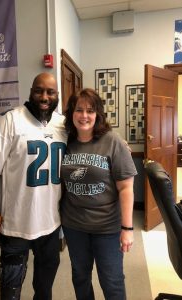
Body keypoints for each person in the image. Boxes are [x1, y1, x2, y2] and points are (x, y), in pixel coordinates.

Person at [0, 72, 68, 300]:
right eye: (39, 90)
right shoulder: (9, 121)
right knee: (11, 283)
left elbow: (92, 138)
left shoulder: (64, 124)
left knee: (45, 284)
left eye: (50, 91)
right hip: (16, 220)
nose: (44, 96)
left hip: (50, 221)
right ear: (31, 91)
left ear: (57, 95)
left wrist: (118, 144)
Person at [60, 88, 137, 300]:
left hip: (107, 227)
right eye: (79, 110)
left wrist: (127, 228)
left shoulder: (113, 141)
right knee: (80, 277)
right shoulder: (65, 140)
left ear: (98, 114)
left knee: (111, 281)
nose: (84, 115)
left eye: (90, 110)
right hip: (74, 225)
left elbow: (126, 188)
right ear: (71, 113)